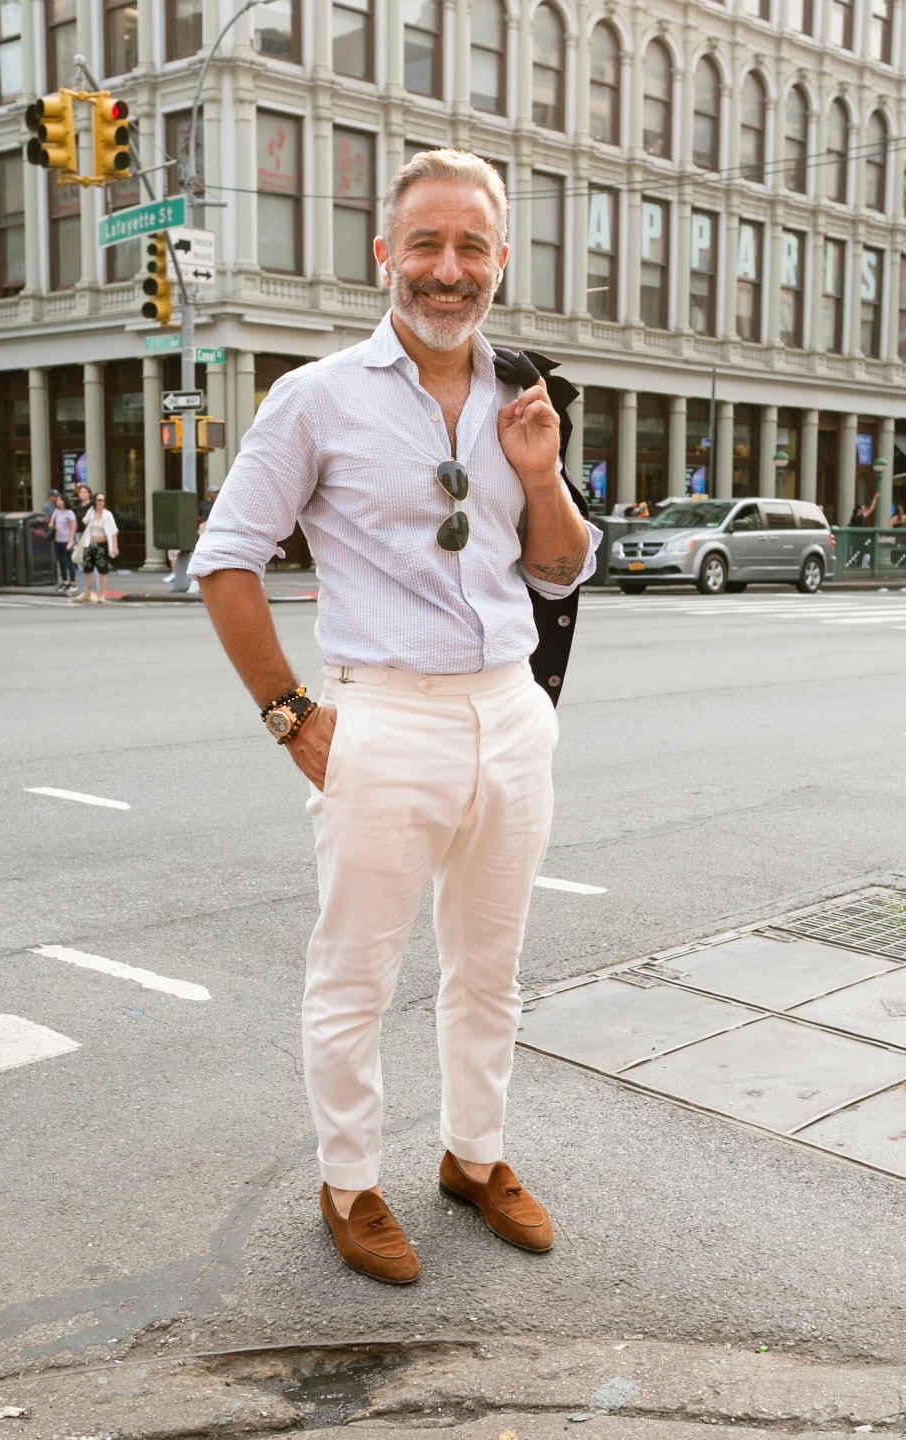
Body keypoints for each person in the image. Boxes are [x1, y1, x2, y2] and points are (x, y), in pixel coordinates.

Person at [189, 149, 600, 1286]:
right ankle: (351, 1181)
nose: (448, 268)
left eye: (472, 245)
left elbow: (562, 573)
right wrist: (291, 715)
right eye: (425, 242)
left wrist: (542, 470)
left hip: (511, 716)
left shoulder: (526, 395)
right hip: (384, 720)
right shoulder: (314, 399)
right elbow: (224, 562)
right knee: (357, 974)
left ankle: (477, 1159)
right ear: (386, 255)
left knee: (491, 968)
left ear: (500, 260)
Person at [72, 492, 118, 603]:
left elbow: (113, 531)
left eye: (103, 500)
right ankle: (88, 592)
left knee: (102, 571)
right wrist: (88, 521)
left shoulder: (108, 515)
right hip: (89, 544)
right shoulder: (91, 512)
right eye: (99, 500)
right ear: (95, 501)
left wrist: (115, 546)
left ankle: (102, 594)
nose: (101, 502)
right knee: (88, 569)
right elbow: (84, 520)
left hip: (101, 545)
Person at [47, 492, 77, 593]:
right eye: (58, 500)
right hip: (57, 539)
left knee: (69, 561)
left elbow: (73, 528)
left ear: (65, 501)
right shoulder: (56, 511)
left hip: (66, 540)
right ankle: (65, 581)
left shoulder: (70, 513)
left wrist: (71, 540)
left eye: (60, 500)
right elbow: (51, 522)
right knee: (61, 561)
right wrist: (52, 526)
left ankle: (72, 582)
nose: (58, 502)